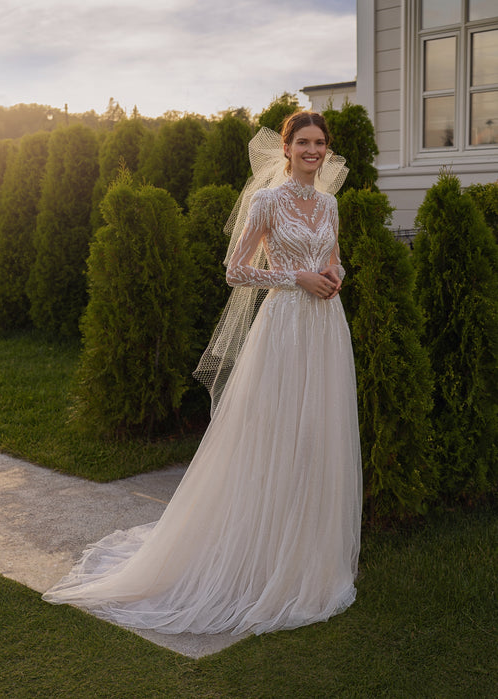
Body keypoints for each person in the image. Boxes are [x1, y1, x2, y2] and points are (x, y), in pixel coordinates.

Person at [43, 111, 362, 637]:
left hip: (326, 330)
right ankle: (257, 550)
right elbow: (235, 270)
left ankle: (306, 552)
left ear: (327, 150)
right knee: (274, 434)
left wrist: (332, 274)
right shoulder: (266, 201)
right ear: (285, 149)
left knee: (316, 434)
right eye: (302, 142)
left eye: (319, 143)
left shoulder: (329, 203)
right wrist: (295, 276)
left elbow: (333, 257)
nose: (312, 150)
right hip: (283, 327)